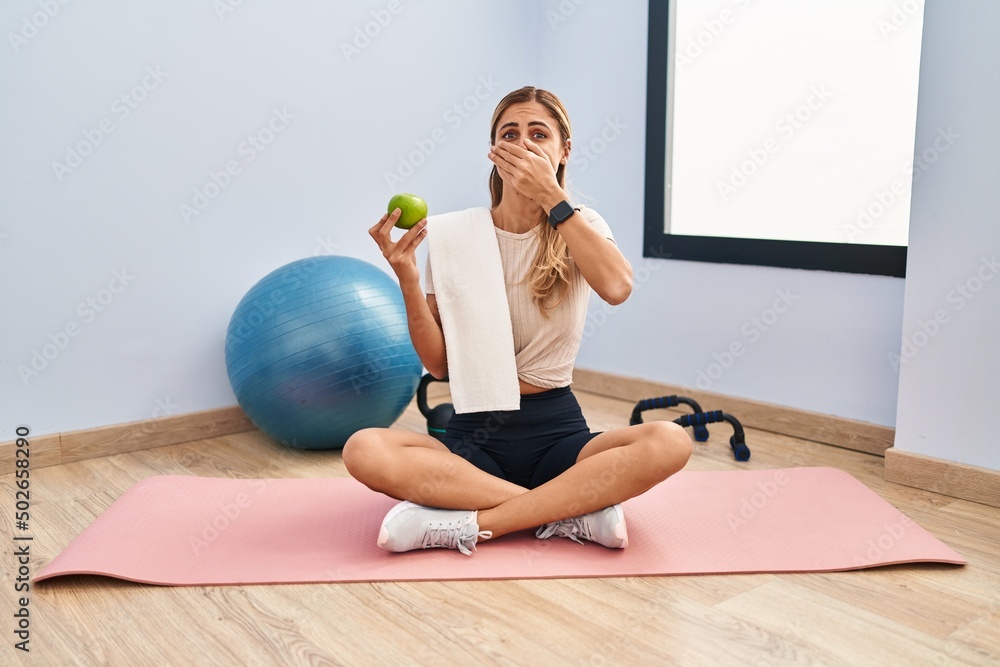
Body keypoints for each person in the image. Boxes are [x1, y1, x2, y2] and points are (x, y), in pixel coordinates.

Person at [343, 86, 692, 555]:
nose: (523, 143)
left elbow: (617, 288)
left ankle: (475, 526)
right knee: (363, 449)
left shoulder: (581, 223)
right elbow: (440, 365)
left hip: (558, 435)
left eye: (539, 133)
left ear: (563, 150)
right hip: (472, 441)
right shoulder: (453, 235)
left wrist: (553, 198)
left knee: (669, 440)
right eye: (510, 133)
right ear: (494, 151)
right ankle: (570, 511)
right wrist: (406, 274)